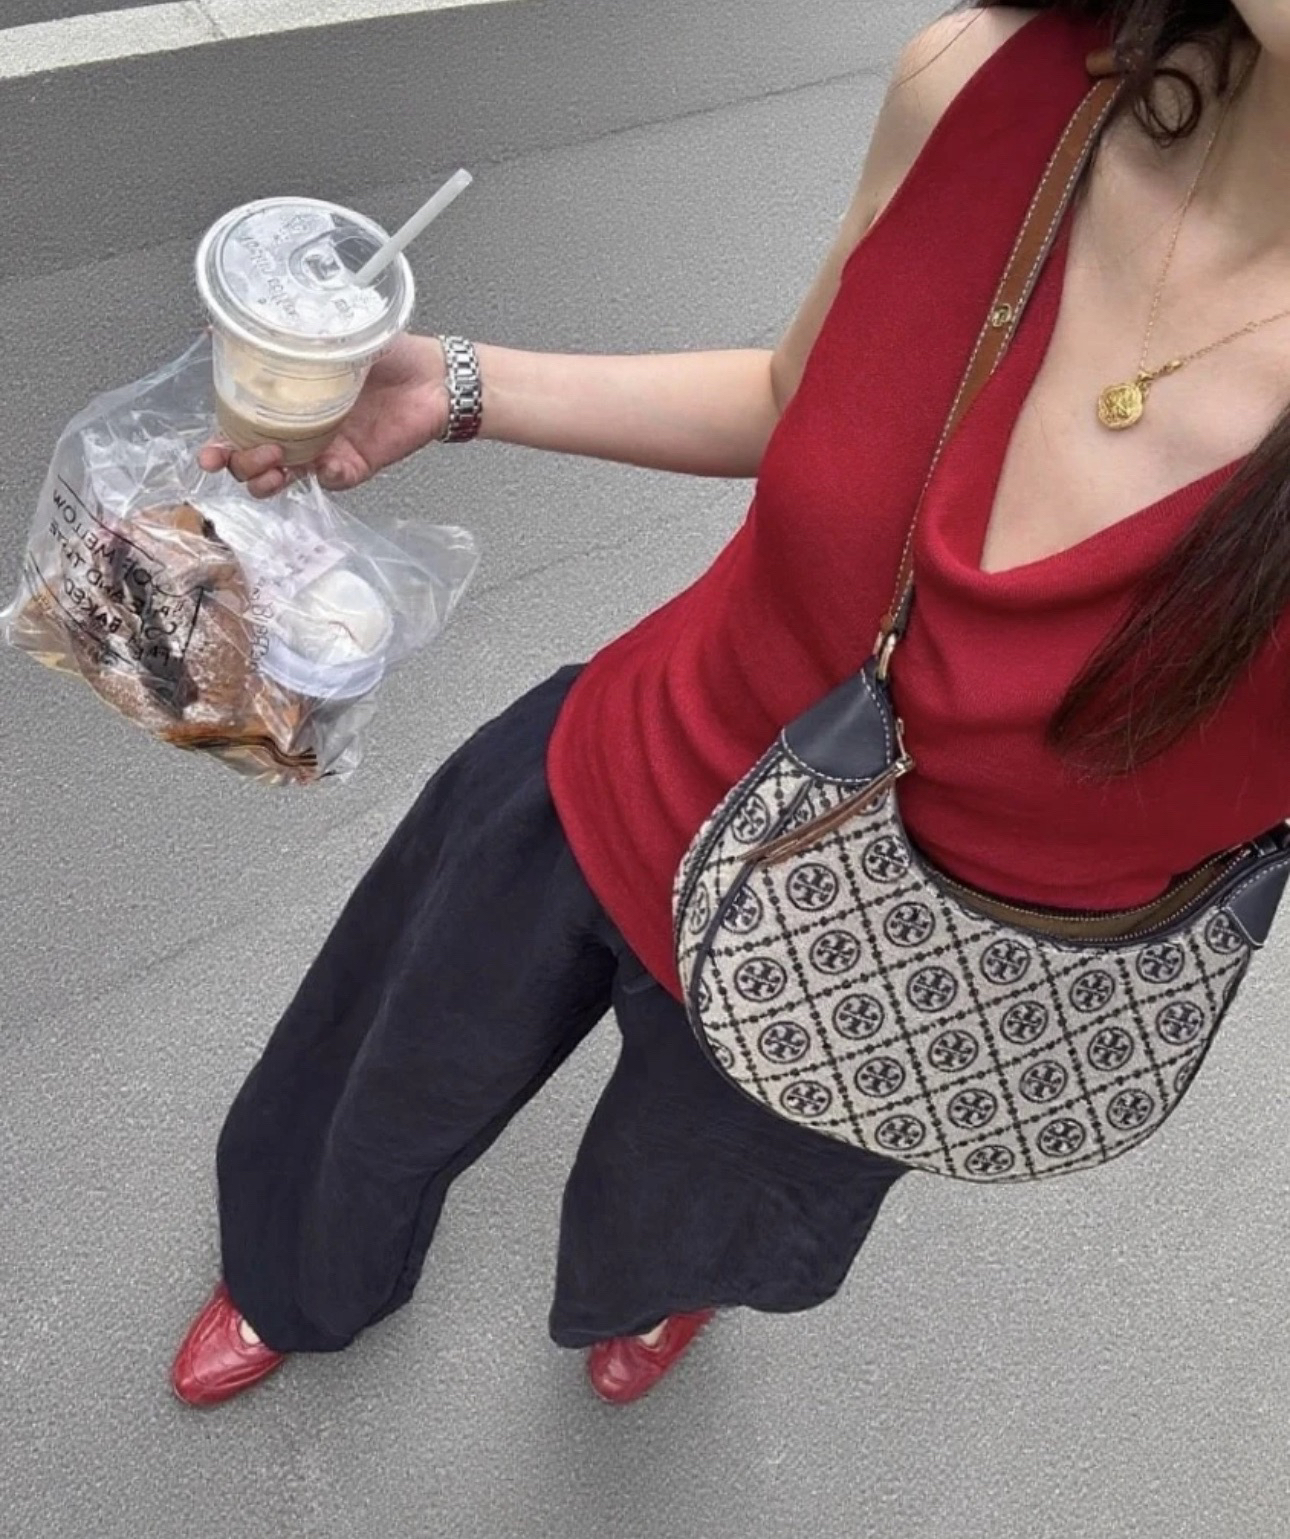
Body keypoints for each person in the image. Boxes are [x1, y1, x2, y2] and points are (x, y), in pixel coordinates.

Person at [172, 0, 1290, 1409]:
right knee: (370, 1087)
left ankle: (654, 1292)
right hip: (642, 760)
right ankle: (294, 1277)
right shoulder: (995, 82)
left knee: (703, 1204)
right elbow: (790, 396)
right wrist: (455, 384)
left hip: (926, 973)